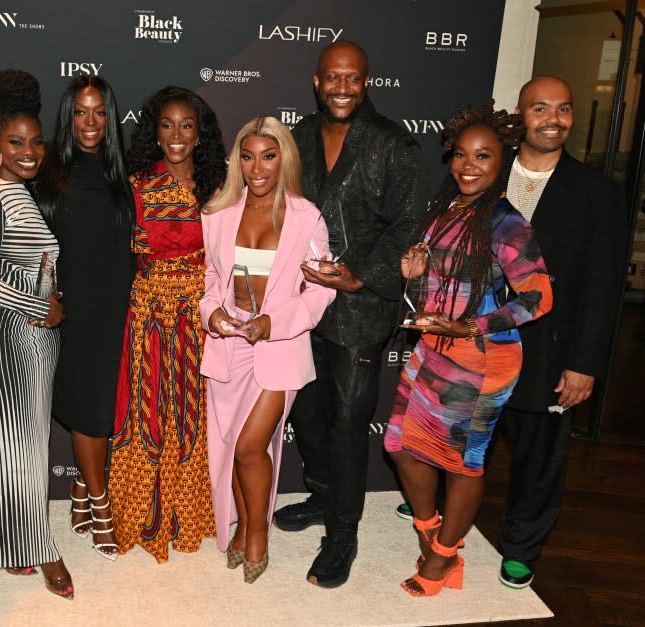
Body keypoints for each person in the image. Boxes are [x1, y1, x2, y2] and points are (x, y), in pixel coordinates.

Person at [272, 40, 427, 588]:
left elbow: (409, 224)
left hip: (360, 307)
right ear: (316, 82)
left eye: (352, 79)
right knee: (306, 412)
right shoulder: (298, 141)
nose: (342, 87)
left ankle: (343, 534)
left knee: (345, 420)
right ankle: (322, 496)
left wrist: (359, 274)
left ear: (366, 83)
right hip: (301, 303)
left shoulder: (393, 144)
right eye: (332, 78)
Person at [384, 100, 553, 597]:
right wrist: (415, 267)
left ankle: (441, 559)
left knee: (464, 462)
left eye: (482, 156)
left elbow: (539, 295)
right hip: (433, 351)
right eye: (461, 155)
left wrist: (470, 327)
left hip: (481, 360)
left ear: (502, 162)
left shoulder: (506, 221)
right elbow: (440, 276)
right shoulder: (448, 207)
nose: (468, 166)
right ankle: (432, 531)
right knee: (400, 445)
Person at [496, 77, 628, 589]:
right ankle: (442, 515)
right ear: (521, 113)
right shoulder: (485, 169)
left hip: (550, 349)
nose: (554, 118)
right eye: (541, 108)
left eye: (565, 109)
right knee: (466, 440)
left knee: (540, 455)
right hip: (478, 341)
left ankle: (522, 544)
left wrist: (585, 363)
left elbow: (603, 286)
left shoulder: (598, 193)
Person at [0, 69, 72, 598]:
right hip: (1, 340)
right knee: (14, 447)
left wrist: (45, 301)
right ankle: (40, 548)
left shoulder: (12, 191)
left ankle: (13, 545)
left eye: (37, 142)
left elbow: (27, 262)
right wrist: (38, 307)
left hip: (24, 336)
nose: (29, 151)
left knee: (13, 449)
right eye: (16, 142)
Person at [200, 117, 335, 582]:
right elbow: (212, 281)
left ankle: (256, 531)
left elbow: (321, 292)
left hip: (279, 348)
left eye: (269, 156)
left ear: (285, 160)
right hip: (228, 344)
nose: (257, 167)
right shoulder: (217, 213)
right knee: (230, 447)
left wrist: (273, 323)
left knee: (249, 445)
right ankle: (240, 527)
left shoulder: (306, 217)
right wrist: (211, 313)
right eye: (248, 155)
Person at [109, 86, 226, 562]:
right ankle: (142, 513)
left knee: (196, 412)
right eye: (166, 126)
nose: (176, 136)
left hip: (202, 316)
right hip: (150, 315)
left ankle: (193, 512)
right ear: (153, 133)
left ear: (200, 134)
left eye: (186, 126)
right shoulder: (135, 185)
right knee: (149, 410)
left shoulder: (219, 187)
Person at [34, 75, 134, 561]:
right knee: (91, 413)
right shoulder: (45, 174)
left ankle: (78, 490)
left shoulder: (123, 174)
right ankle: (100, 504)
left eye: (99, 112)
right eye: (80, 112)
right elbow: (25, 240)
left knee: (105, 412)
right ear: (66, 116)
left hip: (119, 309)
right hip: (74, 315)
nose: (90, 122)